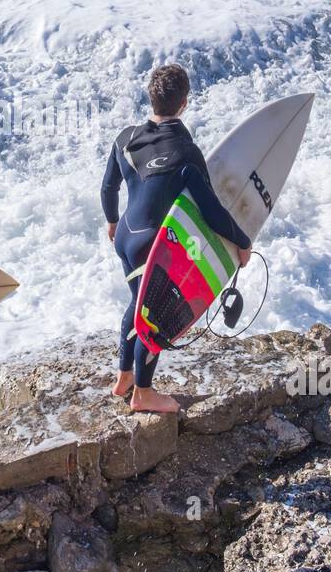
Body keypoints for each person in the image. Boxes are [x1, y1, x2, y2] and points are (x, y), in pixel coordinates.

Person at [100, 65, 252, 415]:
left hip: (126, 236)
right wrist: (241, 242)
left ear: (150, 97)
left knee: (138, 304)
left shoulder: (125, 138)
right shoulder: (186, 152)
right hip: (152, 245)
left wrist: (111, 222)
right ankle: (143, 392)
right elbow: (211, 210)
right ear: (184, 103)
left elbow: (108, 186)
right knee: (155, 318)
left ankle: (124, 376)